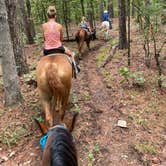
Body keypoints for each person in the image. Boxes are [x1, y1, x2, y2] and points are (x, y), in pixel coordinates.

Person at [42, 6, 80, 75]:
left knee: (39, 61)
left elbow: (44, 38)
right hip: (59, 48)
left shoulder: (44, 26)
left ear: (47, 16)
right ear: (55, 16)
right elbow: (61, 39)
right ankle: (76, 68)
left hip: (47, 50)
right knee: (71, 54)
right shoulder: (59, 26)